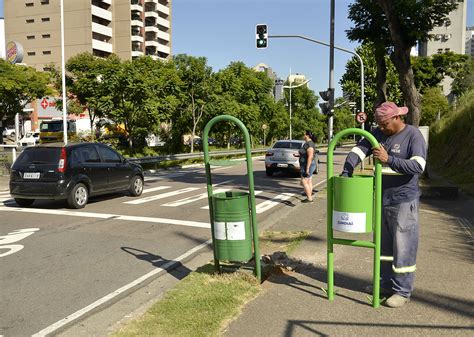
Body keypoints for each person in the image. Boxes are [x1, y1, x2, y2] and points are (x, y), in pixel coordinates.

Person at [341, 101, 427, 308]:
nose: (381, 128)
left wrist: (389, 159)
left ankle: (402, 291)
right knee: (384, 247)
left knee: (404, 248)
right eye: (379, 125)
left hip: (404, 201)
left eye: (385, 124)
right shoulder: (378, 134)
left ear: (397, 118)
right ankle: (385, 283)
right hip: (382, 199)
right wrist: (347, 168)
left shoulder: (413, 135)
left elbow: (418, 165)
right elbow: (360, 149)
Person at [299, 130, 317, 203]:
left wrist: (307, 168)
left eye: (304, 134)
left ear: (307, 135)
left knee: (304, 181)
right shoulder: (308, 143)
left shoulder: (309, 144)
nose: (303, 135)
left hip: (307, 164)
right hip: (308, 163)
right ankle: (309, 193)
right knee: (309, 180)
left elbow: (310, 156)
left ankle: (309, 198)